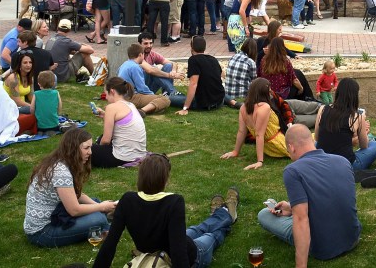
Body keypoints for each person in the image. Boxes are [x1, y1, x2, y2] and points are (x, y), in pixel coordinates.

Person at [94, 154, 240, 268]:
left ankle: (221, 213)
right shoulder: (174, 201)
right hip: (192, 255)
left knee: (197, 229)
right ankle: (226, 214)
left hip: (172, 246)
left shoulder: (127, 199)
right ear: (165, 180)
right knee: (211, 235)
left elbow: (110, 243)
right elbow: (178, 253)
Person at [258, 124, 362, 264]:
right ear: (312, 141)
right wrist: (290, 208)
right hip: (352, 238)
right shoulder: (342, 161)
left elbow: (301, 220)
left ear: (291, 147)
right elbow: (333, 199)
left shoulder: (293, 171)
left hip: (323, 247)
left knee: (264, 214)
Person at [23, 127, 117, 247]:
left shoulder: (60, 162)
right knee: (98, 218)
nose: (90, 152)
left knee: (95, 202)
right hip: (43, 233)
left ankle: (106, 220)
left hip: (55, 217)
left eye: (90, 147)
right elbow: (74, 210)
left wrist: (99, 206)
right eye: (86, 148)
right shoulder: (60, 172)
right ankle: (106, 224)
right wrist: (101, 207)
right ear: (73, 148)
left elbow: (76, 195)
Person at [313, 78, 376, 171]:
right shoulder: (357, 117)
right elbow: (364, 146)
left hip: (323, 161)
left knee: (316, 143)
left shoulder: (322, 109)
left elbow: (317, 138)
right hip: (346, 165)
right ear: (355, 96)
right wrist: (365, 133)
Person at [220, 77, 289, 169]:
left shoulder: (243, 108)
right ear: (263, 92)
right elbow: (259, 135)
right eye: (269, 89)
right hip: (279, 143)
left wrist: (235, 151)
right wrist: (259, 161)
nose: (271, 91)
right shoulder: (264, 107)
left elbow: (241, 131)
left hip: (269, 148)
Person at [115, 43, 171, 114]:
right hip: (131, 97)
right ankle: (142, 111)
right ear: (140, 55)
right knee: (165, 99)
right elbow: (142, 88)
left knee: (160, 106)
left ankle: (145, 108)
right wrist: (153, 95)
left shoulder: (124, 64)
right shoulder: (135, 67)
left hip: (121, 96)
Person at [178, 36, 225, 114]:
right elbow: (222, 75)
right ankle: (232, 101)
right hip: (219, 101)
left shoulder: (193, 60)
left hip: (203, 103)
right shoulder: (212, 59)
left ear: (192, 48)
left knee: (170, 98)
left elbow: (193, 84)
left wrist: (185, 108)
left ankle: (169, 93)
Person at [224, 38, 259, 108]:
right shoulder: (250, 62)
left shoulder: (234, 56)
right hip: (241, 95)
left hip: (228, 95)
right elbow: (254, 82)